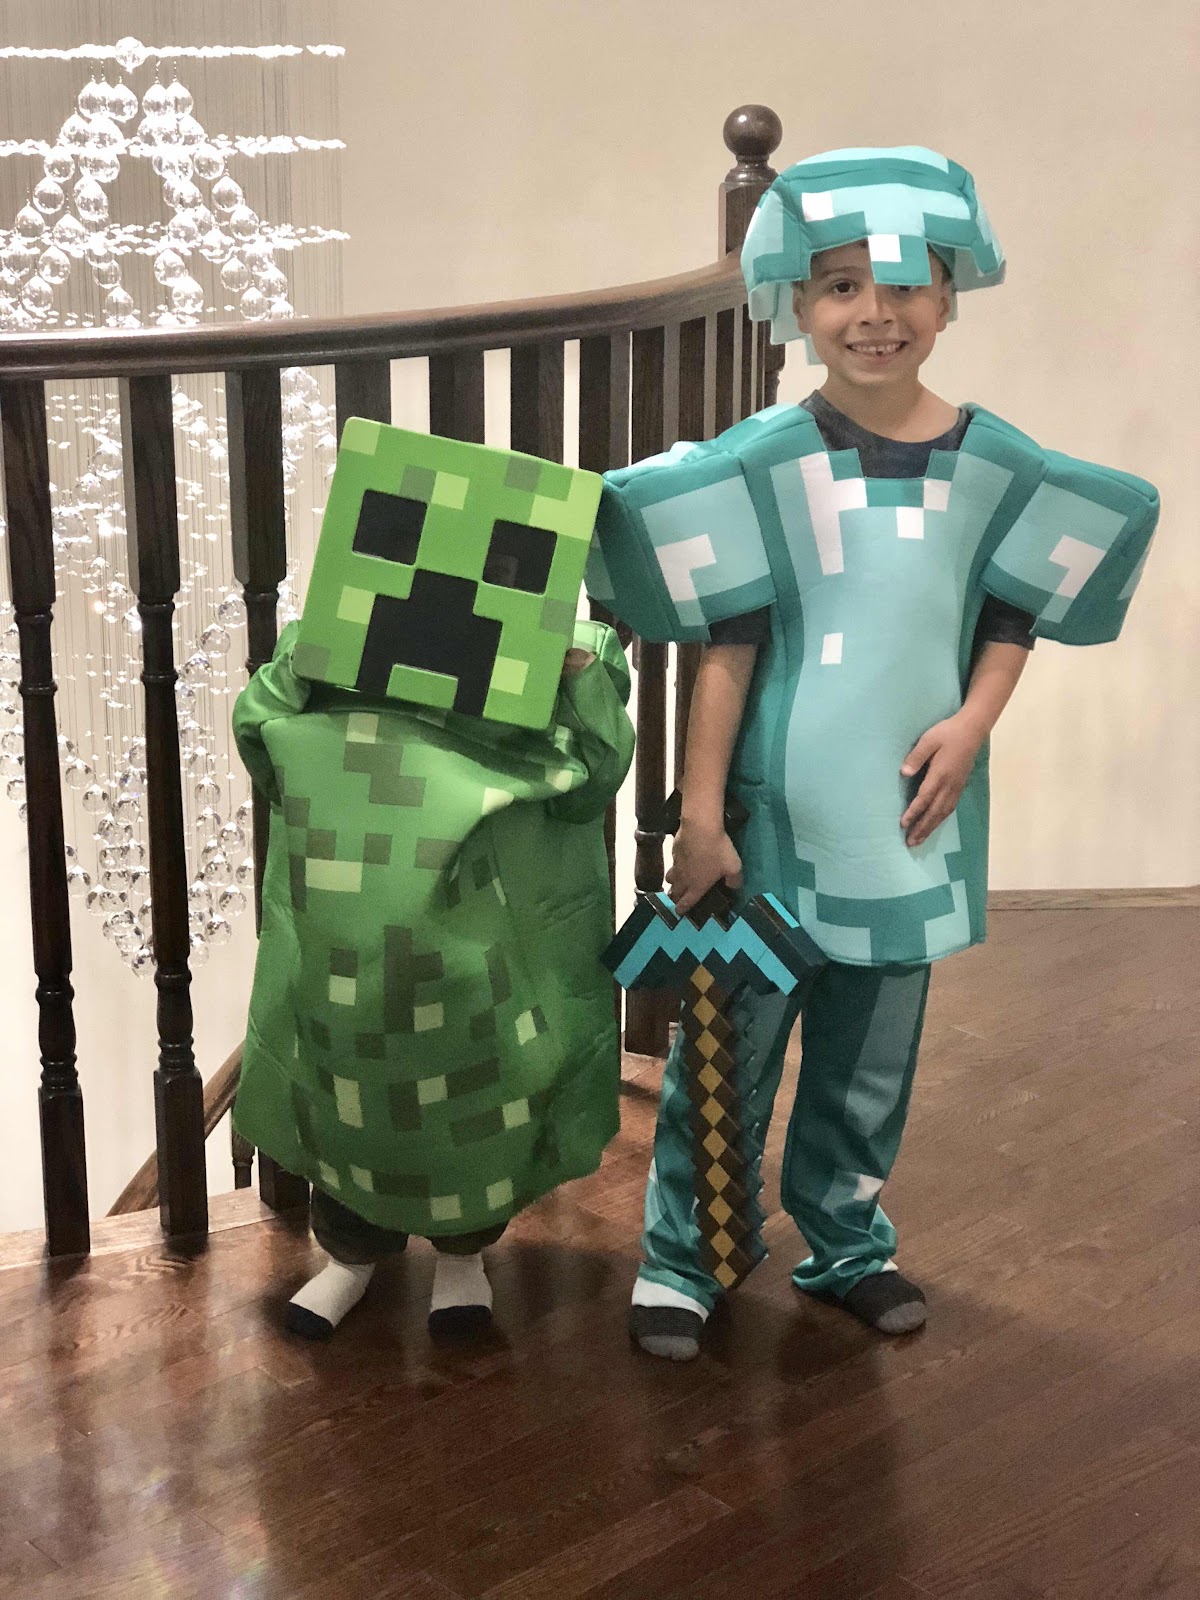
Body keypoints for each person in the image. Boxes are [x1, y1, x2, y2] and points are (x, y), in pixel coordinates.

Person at [587, 146, 1159, 1360]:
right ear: (797, 302)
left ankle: (846, 1240)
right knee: (725, 1050)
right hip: (773, 826)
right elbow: (727, 643)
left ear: (950, 295)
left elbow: (1015, 611)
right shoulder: (761, 463)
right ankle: (685, 1255)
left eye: (904, 285)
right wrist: (701, 815)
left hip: (911, 822)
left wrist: (974, 721)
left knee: (870, 1060)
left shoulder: (998, 465)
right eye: (842, 285)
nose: (874, 313)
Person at [233, 421, 635, 1340]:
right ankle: (349, 1257)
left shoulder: (569, 653)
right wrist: (307, 658)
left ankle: (463, 1259)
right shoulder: (328, 652)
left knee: (476, 1094)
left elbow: (595, 782)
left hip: (481, 940)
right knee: (347, 1085)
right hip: (349, 930)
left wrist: (576, 675)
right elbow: (262, 740)